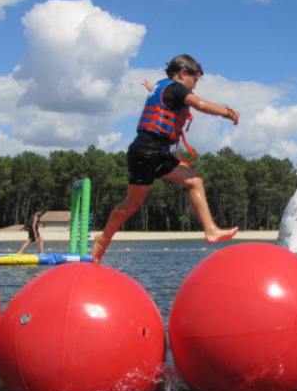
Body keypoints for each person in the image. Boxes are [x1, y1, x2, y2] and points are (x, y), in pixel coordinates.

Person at [92, 54, 240, 264]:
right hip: (146, 150)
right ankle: (102, 239)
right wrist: (229, 112)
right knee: (133, 203)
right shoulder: (177, 88)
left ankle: (211, 230)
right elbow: (199, 104)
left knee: (194, 180)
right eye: (194, 80)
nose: (194, 86)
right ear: (182, 73)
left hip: (159, 152)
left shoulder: (164, 87)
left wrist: (150, 87)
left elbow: (163, 101)